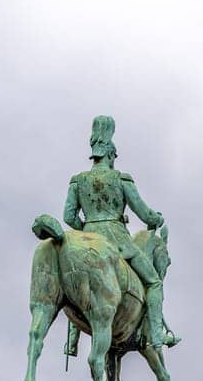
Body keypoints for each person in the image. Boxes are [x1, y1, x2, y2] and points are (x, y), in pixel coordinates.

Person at [62, 115, 177, 352]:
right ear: (111, 156)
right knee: (154, 282)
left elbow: (68, 216)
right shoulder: (120, 178)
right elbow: (145, 214)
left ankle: (71, 342)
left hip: (88, 236)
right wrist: (156, 218)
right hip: (118, 240)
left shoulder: (78, 181)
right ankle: (156, 335)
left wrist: (86, 229)